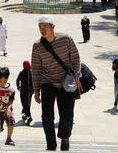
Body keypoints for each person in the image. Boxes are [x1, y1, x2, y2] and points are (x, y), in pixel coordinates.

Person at [31, 15, 82, 151]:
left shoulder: (66, 39)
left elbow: (76, 58)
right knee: (46, 116)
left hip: (66, 82)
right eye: (40, 27)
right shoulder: (37, 46)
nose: (42, 30)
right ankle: (51, 146)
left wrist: (77, 77)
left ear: (53, 27)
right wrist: (36, 90)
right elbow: (36, 69)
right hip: (47, 82)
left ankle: (64, 138)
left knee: (67, 114)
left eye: (45, 27)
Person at [16, 60, 33, 126]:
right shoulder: (31, 72)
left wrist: (18, 86)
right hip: (30, 91)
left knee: (24, 103)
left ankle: (29, 117)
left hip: (23, 91)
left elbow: (17, 80)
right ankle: (25, 115)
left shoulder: (22, 73)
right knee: (28, 103)